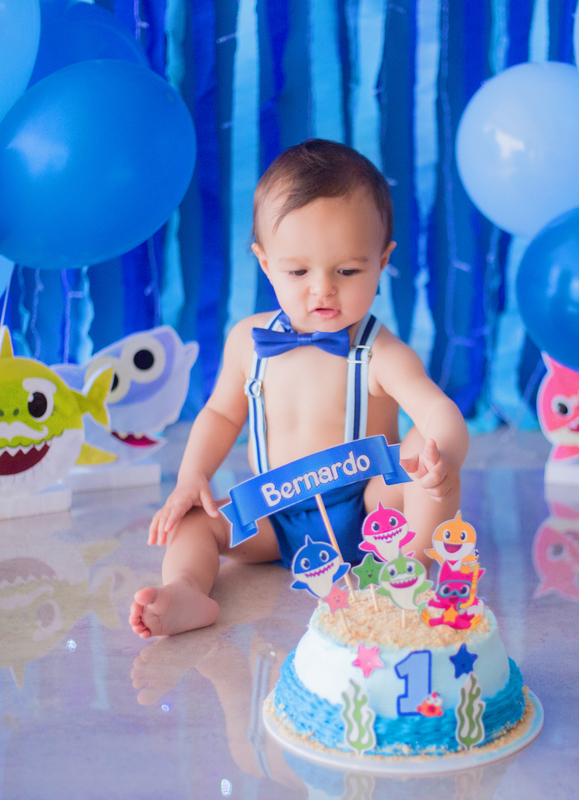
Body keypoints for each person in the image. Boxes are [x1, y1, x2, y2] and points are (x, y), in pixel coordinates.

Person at [130, 139, 469, 638]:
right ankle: (186, 589)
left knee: (422, 451)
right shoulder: (247, 340)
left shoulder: (381, 353)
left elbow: (438, 411)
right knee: (195, 520)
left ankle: (409, 570)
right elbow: (221, 415)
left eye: (348, 270)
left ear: (382, 261)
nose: (322, 288)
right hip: (275, 514)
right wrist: (191, 476)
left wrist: (442, 461)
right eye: (298, 271)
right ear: (265, 263)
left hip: (372, 511)